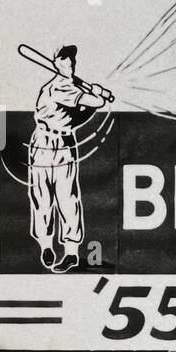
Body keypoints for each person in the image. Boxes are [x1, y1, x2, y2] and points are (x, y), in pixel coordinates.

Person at [27, 45, 109, 272]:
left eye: (71, 58)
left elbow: (77, 118)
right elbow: (92, 103)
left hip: (65, 143)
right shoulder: (57, 87)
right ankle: (46, 245)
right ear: (56, 63)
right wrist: (98, 95)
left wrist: (96, 96)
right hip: (43, 143)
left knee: (68, 198)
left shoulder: (70, 87)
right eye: (63, 58)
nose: (69, 62)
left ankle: (71, 252)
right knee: (42, 198)